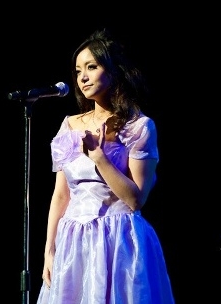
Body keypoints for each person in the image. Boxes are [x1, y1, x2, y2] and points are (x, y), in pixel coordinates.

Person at [36, 28, 175, 304]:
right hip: (74, 239)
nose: (82, 77)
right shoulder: (70, 125)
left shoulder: (138, 126)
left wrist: (100, 158)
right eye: (78, 71)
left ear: (113, 71)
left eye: (92, 67)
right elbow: (61, 195)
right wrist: (49, 250)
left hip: (119, 239)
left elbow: (136, 199)